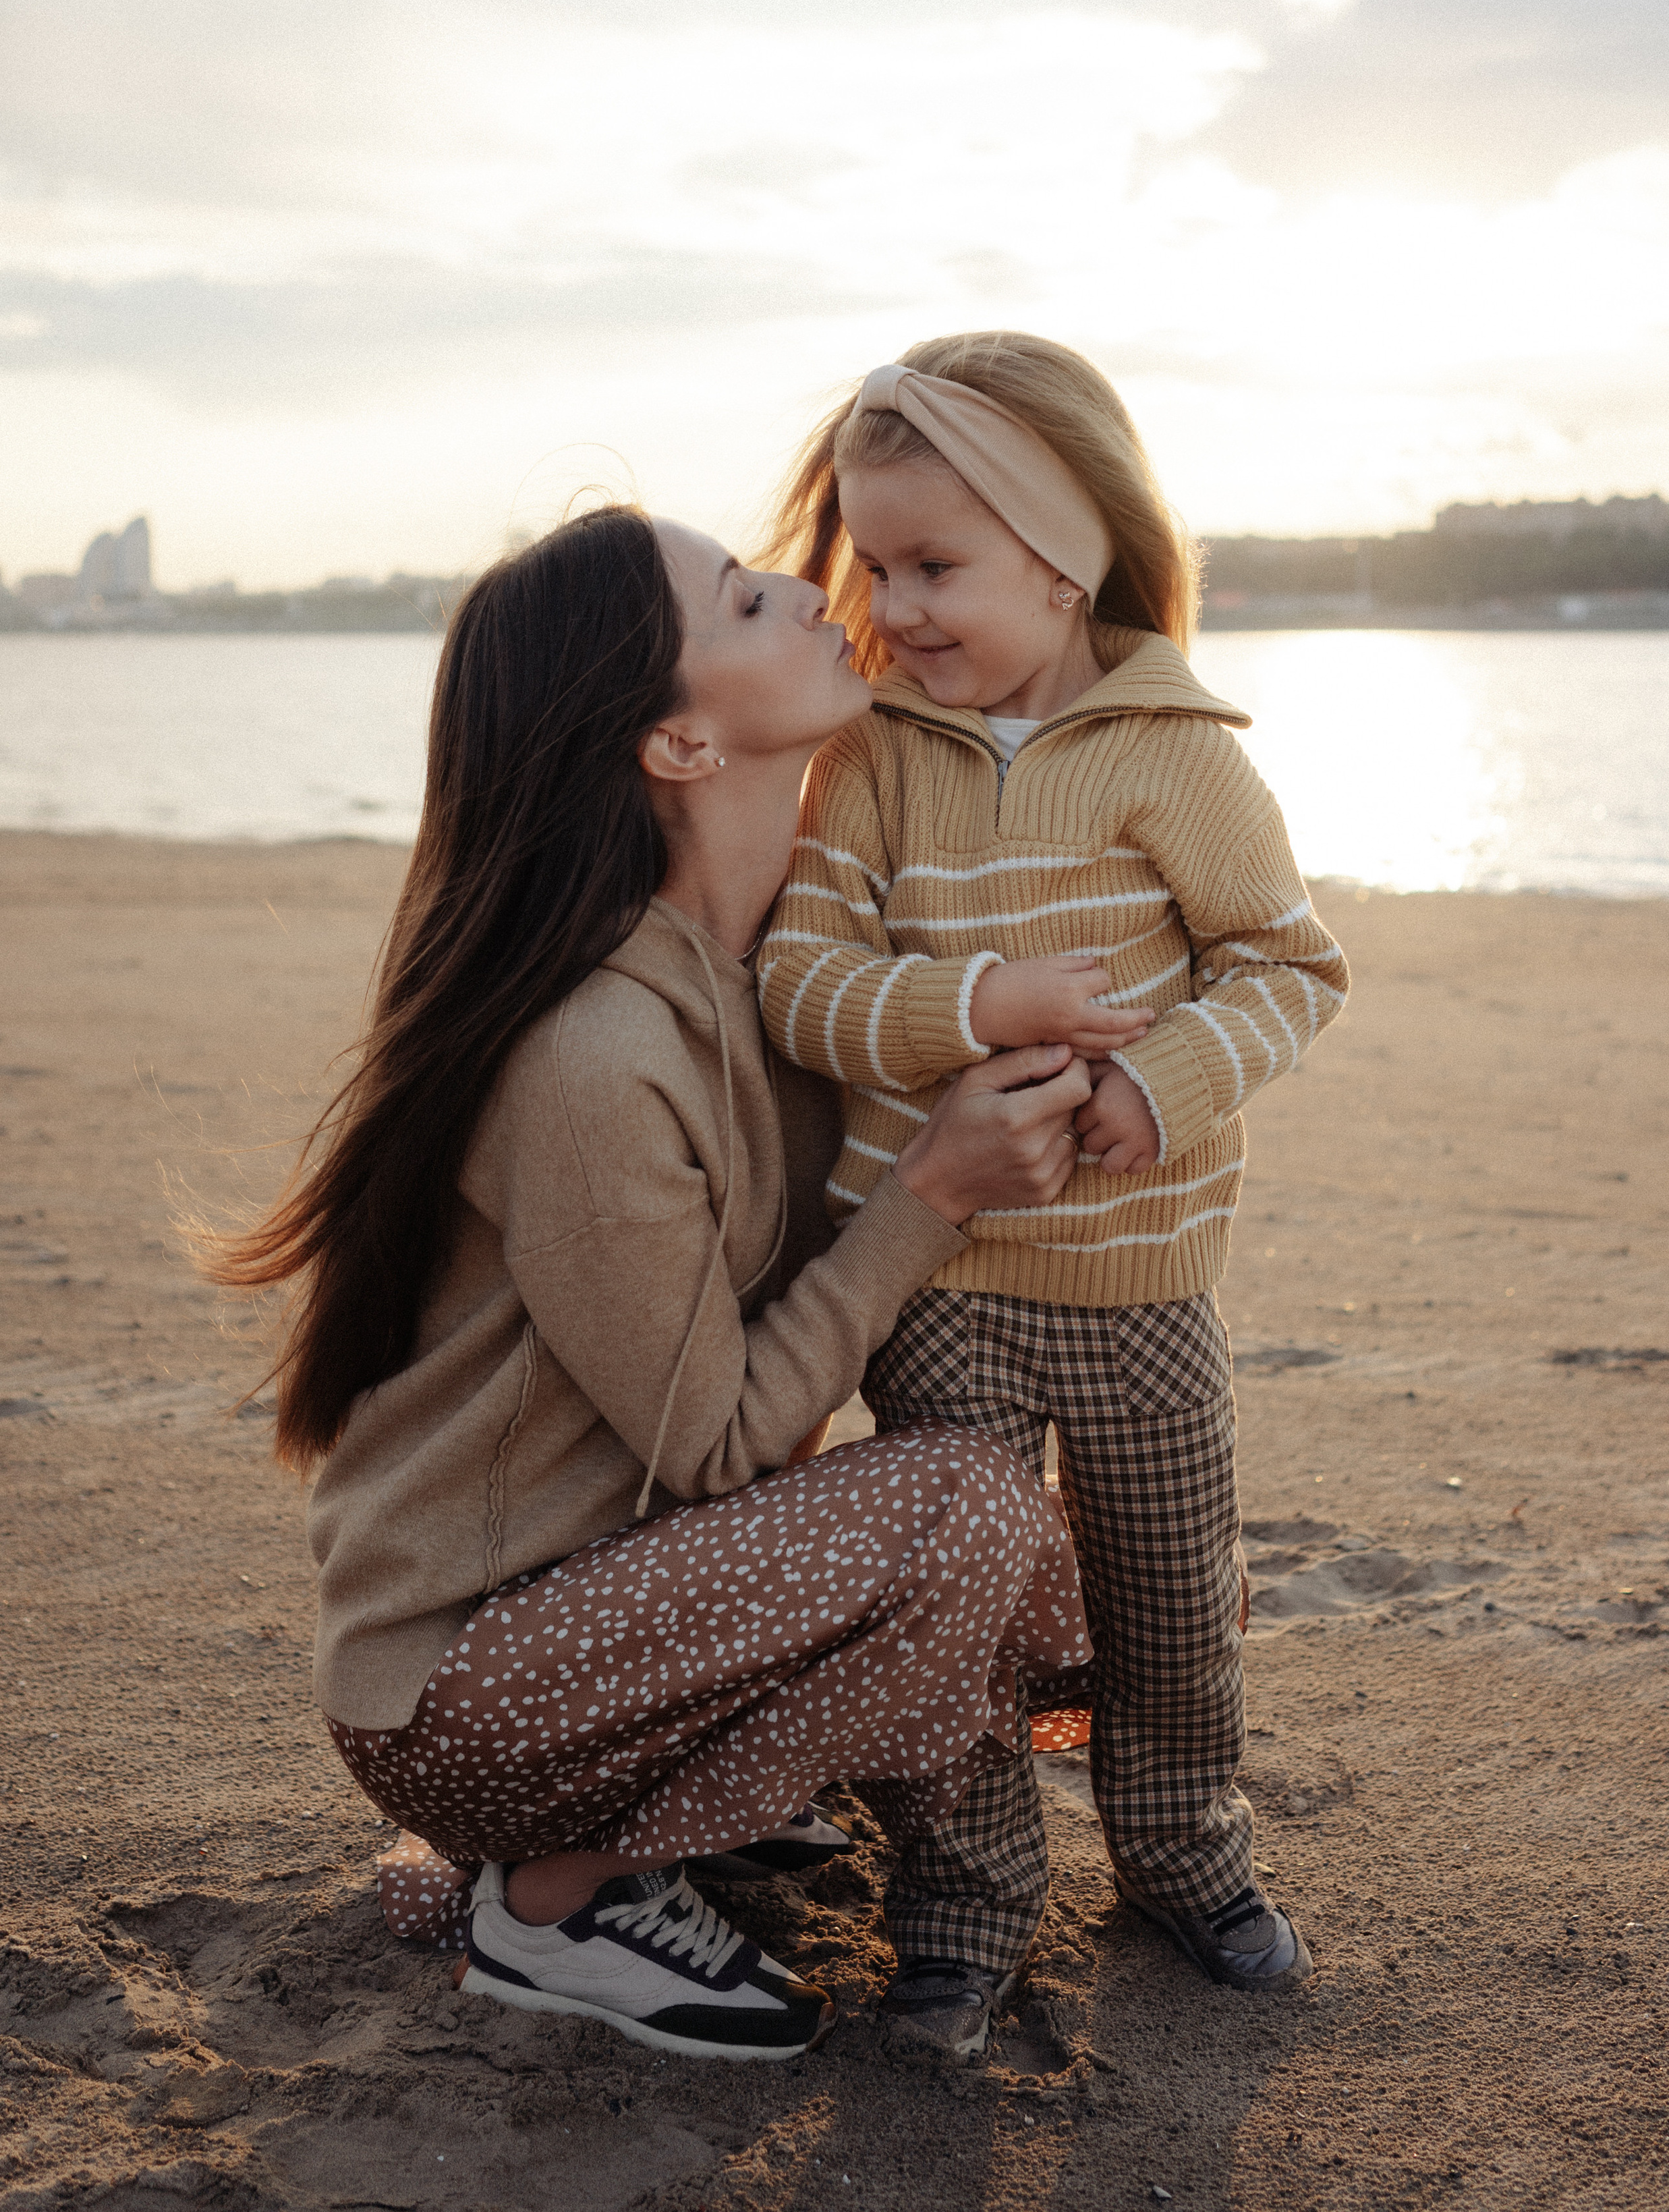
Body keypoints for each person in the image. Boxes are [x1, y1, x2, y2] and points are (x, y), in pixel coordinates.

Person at [202, 503, 1095, 2066]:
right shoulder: (596, 1058)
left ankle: (684, 1818)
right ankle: (550, 1898)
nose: (817, 603)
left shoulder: (780, 982)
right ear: (678, 745)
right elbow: (714, 1442)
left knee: (1116, 1584)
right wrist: (932, 1193)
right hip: (467, 1688)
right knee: (969, 1512)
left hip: (615, 1620)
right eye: (751, 605)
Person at [756, 332, 1350, 2021]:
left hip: (1145, 1285)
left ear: (1068, 542)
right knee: (963, 1620)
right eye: (877, 567)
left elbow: (1286, 970)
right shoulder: (868, 758)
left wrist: (1159, 1086)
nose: (900, 607)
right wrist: (974, 1011)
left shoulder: (1176, 751)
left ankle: (1180, 1853)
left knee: (1168, 1598)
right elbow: (802, 985)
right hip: (938, 1288)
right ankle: (964, 1889)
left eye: (936, 566)